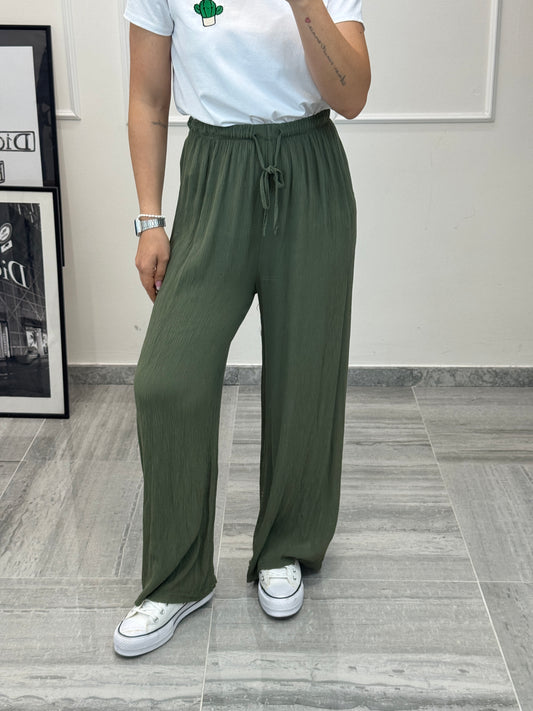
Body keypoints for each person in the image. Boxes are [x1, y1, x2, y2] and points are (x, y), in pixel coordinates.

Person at [114, 0, 370, 657]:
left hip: (309, 169)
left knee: (304, 373)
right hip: (213, 173)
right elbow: (147, 96)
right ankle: (177, 578)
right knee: (166, 381)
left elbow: (351, 96)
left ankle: (286, 545)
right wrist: (149, 219)